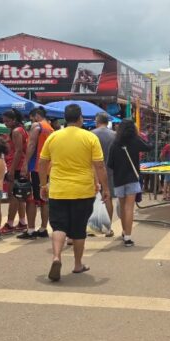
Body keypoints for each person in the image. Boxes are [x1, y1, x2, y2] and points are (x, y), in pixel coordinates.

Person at [39, 104, 110, 282]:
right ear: (80, 119)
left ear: (65, 118)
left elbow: (42, 163)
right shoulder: (90, 137)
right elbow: (99, 166)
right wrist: (105, 188)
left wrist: (43, 185)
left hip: (58, 190)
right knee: (79, 229)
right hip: (83, 190)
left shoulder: (54, 137)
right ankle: (78, 264)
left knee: (58, 226)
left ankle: (56, 257)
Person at [108, 118, 153, 247]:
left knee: (122, 207)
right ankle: (127, 237)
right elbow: (149, 147)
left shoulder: (114, 143)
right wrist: (140, 135)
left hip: (118, 180)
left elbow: (110, 164)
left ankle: (123, 232)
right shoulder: (135, 141)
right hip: (132, 179)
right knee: (129, 208)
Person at [23, 107, 54, 239]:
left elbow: (31, 145)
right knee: (44, 199)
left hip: (35, 167)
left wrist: (25, 163)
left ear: (36, 115)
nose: (31, 121)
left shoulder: (37, 126)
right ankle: (43, 228)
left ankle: (30, 230)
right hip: (47, 168)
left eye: (31, 118)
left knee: (31, 199)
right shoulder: (50, 128)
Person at [1, 110, 31, 238]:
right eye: (4, 121)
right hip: (19, 166)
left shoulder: (16, 131)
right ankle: (22, 222)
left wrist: (12, 169)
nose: (5, 123)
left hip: (16, 166)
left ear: (14, 120)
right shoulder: (21, 130)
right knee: (19, 196)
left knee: (12, 195)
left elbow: (18, 151)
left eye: (7, 121)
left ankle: (10, 224)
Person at [90, 112, 117, 237]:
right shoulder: (115, 135)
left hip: (93, 171)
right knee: (108, 198)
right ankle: (108, 228)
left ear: (97, 121)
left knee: (92, 199)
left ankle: (92, 228)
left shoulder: (91, 134)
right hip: (110, 171)